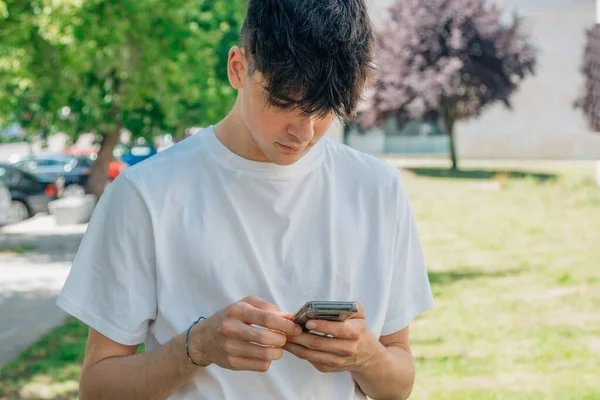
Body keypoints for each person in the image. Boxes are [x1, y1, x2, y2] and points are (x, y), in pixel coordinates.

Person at [56, 0, 434, 399]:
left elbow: (399, 384)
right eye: (284, 102)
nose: (303, 132)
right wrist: (196, 347)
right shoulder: (145, 194)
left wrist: (366, 357)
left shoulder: (378, 189)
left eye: (323, 110)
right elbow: (97, 388)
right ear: (238, 68)